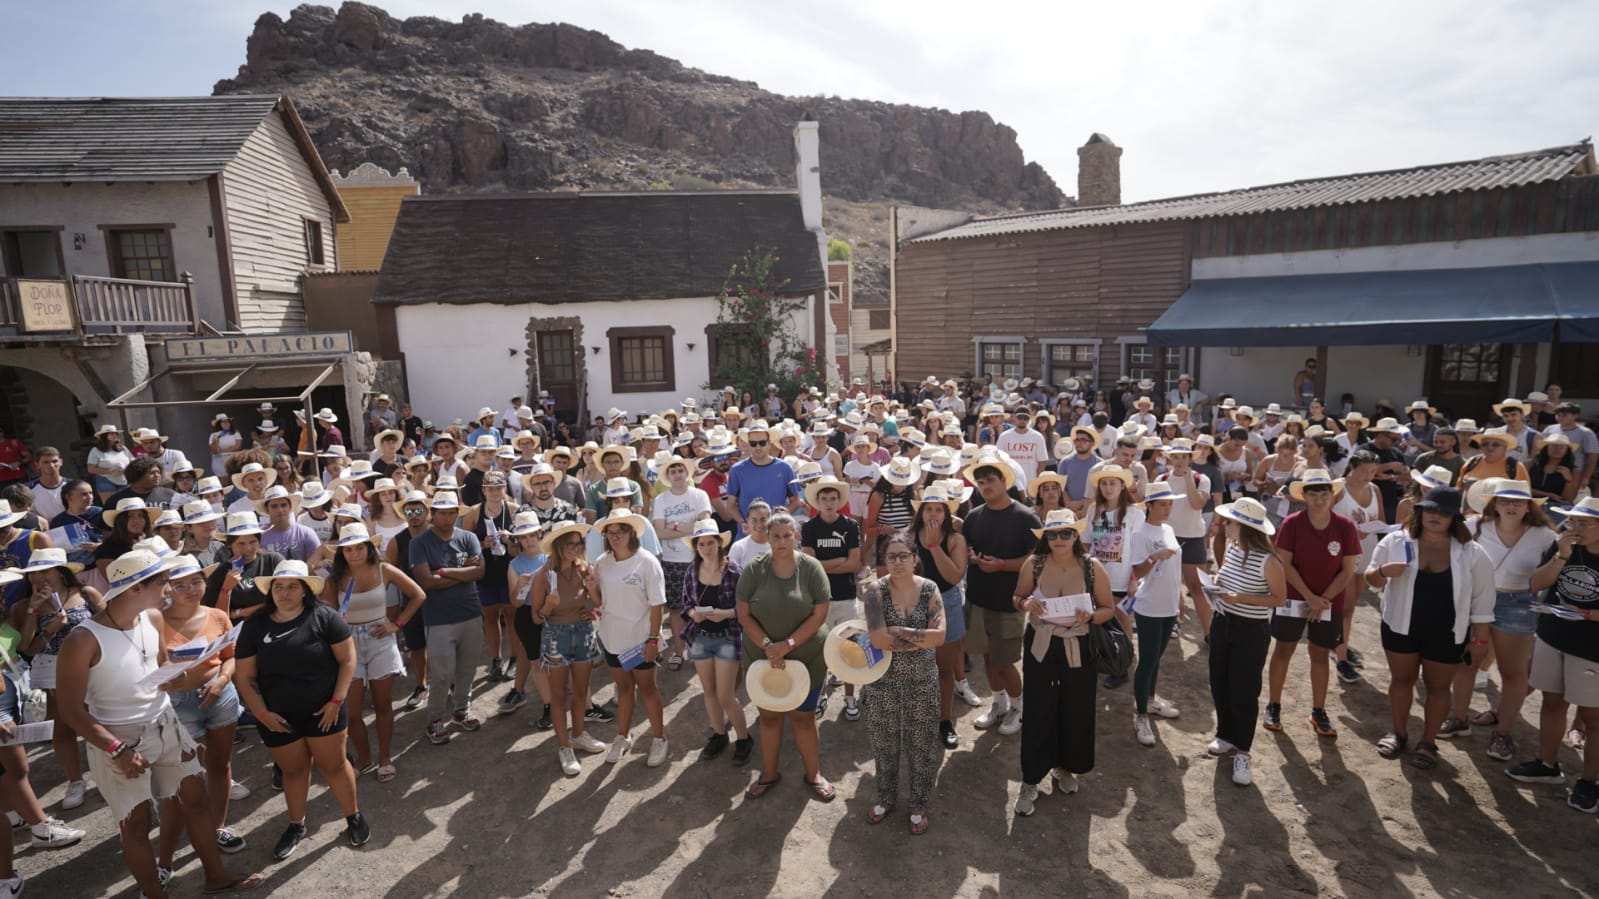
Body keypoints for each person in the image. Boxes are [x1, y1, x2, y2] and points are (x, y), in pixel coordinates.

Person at [55, 549, 263, 896]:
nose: (170, 589)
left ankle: (215, 875)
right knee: (136, 825)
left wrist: (173, 679)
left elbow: (160, 665)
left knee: (195, 800)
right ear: (135, 588)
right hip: (116, 740)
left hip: (167, 725)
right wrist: (117, 749)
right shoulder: (82, 640)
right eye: (163, 583)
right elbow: (70, 710)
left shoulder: (152, 618)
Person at [235, 559, 369, 858]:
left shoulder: (325, 617)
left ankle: (353, 816)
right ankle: (297, 825)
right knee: (293, 772)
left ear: (306, 589)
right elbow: (244, 676)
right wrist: (261, 714)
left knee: (334, 766)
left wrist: (336, 702)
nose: (284, 593)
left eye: (292, 586)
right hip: (277, 717)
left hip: (325, 712)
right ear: (270, 591)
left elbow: (348, 661)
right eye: (278, 586)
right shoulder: (255, 625)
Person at [1365, 488, 1495, 769]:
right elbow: (1371, 578)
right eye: (1431, 509)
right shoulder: (1395, 541)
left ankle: (1428, 741)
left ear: (1455, 518)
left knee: (1438, 687)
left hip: (1447, 632)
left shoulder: (1472, 553)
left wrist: (1480, 641)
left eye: (1444, 512)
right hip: (1400, 625)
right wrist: (1385, 572)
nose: (1436, 516)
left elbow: (1483, 602)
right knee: (1401, 681)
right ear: (1420, 510)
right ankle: (1398, 734)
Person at [1010, 511, 1114, 815]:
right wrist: (1026, 603)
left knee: (1076, 707)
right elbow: (1017, 597)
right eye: (1052, 534)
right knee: (1039, 708)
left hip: (1078, 644)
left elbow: (1108, 608)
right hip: (1041, 642)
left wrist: (1092, 617)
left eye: (1065, 534)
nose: (1058, 540)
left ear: (1076, 536)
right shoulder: (1035, 563)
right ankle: (1030, 779)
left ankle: (1065, 767)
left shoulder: (1092, 567)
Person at [152, 553, 246, 871]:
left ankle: (216, 828)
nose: (191, 589)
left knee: (220, 766)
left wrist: (221, 680)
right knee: (184, 783)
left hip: (220, 698)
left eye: (196, 581)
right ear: (167, 588)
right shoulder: (154, 622)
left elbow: (232, 656)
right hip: (177, 707)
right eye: (180, 585)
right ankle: (166, 857)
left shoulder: (219, 616)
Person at [1505, 496, 1599, 811]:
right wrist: (1562, 555)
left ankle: (1589, 782)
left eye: (1584, 523)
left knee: (1593, 717)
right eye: (1574, 521)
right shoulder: (1564, 546)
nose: (1576, 527)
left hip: (1592, 650)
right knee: (1552, 701)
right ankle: (1547, 765)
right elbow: (1536, 583)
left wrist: (1586, 615)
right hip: (1553, 636)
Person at [737, 511, 834, 801]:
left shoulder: (812, 568)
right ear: (767, 537)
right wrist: (769, 646)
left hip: (807, 659)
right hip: (762, 660)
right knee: (768, 718)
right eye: (775, 536)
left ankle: (813, 774)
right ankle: (768, 774)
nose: (781, 541)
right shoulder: (754, 570)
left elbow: (820, 614)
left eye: (786, 535)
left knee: (804, 719)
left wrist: (786, 645)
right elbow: (744, 614)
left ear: (796, 536)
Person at [1460, 481, 1558, 760]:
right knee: (1467, 663)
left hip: (1518, 604)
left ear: (1529, 506)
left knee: (1513, 672)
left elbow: (1555, 571)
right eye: (1505, 501)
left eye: (1518, 501)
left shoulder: (1544, 536)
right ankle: (1459, 718)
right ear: (1494, 503)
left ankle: (1503, 733)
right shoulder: (1474, 525)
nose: (1511, 506)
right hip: (1476, 600)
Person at [855, 533, 946, 833]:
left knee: (922, 744)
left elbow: (941, 636)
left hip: (922, 680)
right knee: (885, 744)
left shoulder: (930, 589)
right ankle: (886, 796)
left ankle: (919, 802)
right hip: (882, 681)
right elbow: (878, 639)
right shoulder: (874, 592)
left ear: (915, 558)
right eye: (891, 556)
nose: (897, 562)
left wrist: (899, 630)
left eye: (903, 555)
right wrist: (920, 638)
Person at [324, 523, 426, 784]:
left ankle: (384, 758)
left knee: (382, 704)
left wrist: (397, 623)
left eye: (359, 547)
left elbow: (418, 595)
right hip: (348, 645)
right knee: (354, 712)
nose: (354, 553)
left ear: (369, 547)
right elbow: (327, 616)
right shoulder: (334, 578)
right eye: (348, 549)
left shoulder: (384, 569)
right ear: (341, 552)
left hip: (380, 639)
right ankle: (364, 757)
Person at [1264, 470, 1361, 740]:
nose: (1319, 500)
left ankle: (1318, 711)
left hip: (1329, 602)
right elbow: (1285, 563)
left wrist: (1324, 600)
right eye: (1313, 494)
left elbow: (1347, 570)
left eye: (1324, 494)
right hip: (1294, 598)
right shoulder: (1293, 523)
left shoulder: (1345, 526)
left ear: (1333, 495)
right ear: (1304, 497)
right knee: (1284, 650)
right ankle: (1273, 705)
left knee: (1320, 655)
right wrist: (1310, 598)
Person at [961, 451, 1040, 737]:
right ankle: (999, 704)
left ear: (1004, 481)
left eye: (990, 480)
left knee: (1005, 661)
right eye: (980, 481)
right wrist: (971, 557)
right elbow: (967, 549)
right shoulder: (973, 516)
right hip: (978, 598)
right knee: (987, 659)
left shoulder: (1025, 517)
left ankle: (1020, 707)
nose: (985, 486)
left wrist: (1003, 566)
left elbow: (1038, 560)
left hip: (1009, 602)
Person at [16, 548, 99, 811]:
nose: (38, 578)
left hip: (92, 667)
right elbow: (28, 648)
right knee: (62, 728)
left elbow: (109, 623)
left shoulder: (86, 594)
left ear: (61, 573)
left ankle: (108, 773)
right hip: (52, 669)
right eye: (33, 573)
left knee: (97, 721)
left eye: (45, 571)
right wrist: (38, 615)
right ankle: (76, 780)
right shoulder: (24, 606)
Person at [587, 508, 669, 767]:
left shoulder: (647, 562)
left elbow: (657, 606)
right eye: (610, 533)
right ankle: (622, 737)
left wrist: (653, 640)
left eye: (619, 532)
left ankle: (659, 738)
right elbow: (602, 603)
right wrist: (591, 590)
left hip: (640, 640)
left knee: (647, 689)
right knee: (623, 689)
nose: (614, 537)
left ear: (631, 532)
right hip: (612, 639)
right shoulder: (601, 561)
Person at [407, 491, 486, 745]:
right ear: (433, 513)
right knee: (441, 674)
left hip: (471, 613)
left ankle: (461, 709)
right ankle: (435, 719)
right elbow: (426, 581)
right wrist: (464, 572)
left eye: (452, 512)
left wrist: (444, 571)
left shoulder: (469, 537)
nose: (448, 517)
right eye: (443, 512)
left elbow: (480, 572)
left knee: (467, 668)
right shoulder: (419, 542)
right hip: (438, 618)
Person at [535, 521, 609, 775]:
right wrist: (547, 606)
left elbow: (597, 602)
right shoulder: (544, 575)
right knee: (558, 696)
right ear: (558, 545)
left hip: (583, 632)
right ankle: (564, 746)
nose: (575, 548)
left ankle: (578, 734)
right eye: (570, 544)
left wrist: (594, 606)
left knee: (580, 690)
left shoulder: (585, 569)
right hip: (556, 636)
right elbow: (536, 617)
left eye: (579, 543)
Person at [680, 519, 752, 765]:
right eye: (701, 544)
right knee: (708, 691)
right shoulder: (692, 570)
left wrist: (725, 614)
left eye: (710, 542)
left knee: (725, 696)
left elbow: (745, 608)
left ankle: (743, 738)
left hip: (727, 637)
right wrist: (693, 614)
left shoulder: (734, 571)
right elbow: (686, 604)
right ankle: (719, 734)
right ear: (696, 546)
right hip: (700, 637)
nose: (706, 548)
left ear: (719, 543)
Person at [909, 488, 975, 748]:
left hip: (946, 603)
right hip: (915, 604)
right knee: (916, 667)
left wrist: (935, 546)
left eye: (938, 509)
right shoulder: (910, 536)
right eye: (928, 509)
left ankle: (945, 720)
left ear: (947, 513)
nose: (933, 514)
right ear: (921, 512)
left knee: (944, 669)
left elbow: (954, 577)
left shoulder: (954, 539)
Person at [800, 477, 863, 719]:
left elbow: (853, 564)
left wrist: (824, 564)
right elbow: (808, 567)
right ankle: (821, 695)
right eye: (824, 499)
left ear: (839, 501)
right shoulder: (809, 528)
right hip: (820, 600)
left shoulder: (850, 526)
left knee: (849, 648)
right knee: (820, 651)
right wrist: (839, 561)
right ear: (817, 501)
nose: (828, 503)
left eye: (833, 498)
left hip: (846, 597)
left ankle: (850, 697)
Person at [1125, 482, 1183, 746]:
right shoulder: (1141, 533)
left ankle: (1150, 700)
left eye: (1169, 504)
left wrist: (1179, 599)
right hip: (1149, 606)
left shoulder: (1169, 529)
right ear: (1149, 506)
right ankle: (1141, 716)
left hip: (1169, 603)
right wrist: (1153, 557)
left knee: (1156, 658)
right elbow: (1137, 572)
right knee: (1147, 660)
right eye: (1162, 504)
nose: (1167, 508)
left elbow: (1175, 569)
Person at [649, 456, 714, 669]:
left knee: (702, 608)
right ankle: (678, 651)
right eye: (672, 471)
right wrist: (688, 527)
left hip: (699, 558)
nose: (677, 474)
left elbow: (705, 525)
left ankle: (700, 650)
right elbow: (659, 532)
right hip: (672, 561)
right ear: (667, 477)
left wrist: (674, 526)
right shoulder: (661, 500)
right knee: (677, 610)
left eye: (680, 470)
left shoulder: (700, 495)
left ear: (687, 473)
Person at [1331, 451, 1385, 684]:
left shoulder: (1376, 490)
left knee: (1350, 607)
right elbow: (1322, 519)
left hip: (1368, 550)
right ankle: (1340, 655)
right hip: (1342, 553)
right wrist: (1350, 530)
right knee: (1344, 604)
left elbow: (1380, 518)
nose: (1368, 476)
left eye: (1373, 472)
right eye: (1364, 471)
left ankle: (1340, 644)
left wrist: (1366, 528)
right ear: (1351, 467)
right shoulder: (1338, 488)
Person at [1159, 439, 1218, 641]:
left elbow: (1196, 504)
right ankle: (1175, 622)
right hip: (1168, 537)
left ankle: (1209, 632)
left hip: (1193, 538)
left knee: (1196, 587)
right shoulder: (1162, 478)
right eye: (1176, 456)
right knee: (1171, 585)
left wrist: (1187, 480)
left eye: (1184, 456)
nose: (1180, 461)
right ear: (1171, 458)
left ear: (1190, 458)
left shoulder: (1201, 479)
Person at [723, 421, 798, 532]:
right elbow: (731, 505)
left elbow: (796, 501)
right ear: (748, 444)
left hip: (776, 535)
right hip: (747, 536)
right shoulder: (737, 470)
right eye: (753, 443)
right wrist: (743, 523)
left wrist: (783, 515)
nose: (758, 447)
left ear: (769, 443)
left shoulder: (785, 467)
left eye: (762, 443)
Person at [1544, 402, 1598, 489]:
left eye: (1564, 415)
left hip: (1575, 471)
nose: (1560, 418)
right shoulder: (1550, 429)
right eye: (1558, 415)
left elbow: (1592, 456)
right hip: (1551, 469)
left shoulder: (1586, 433)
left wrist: (1586, 477)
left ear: (1574, 416)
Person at [86, 424, 131, 502]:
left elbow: (133, 461)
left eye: (116, 433)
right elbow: (90, 469)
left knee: (126, 504)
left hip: (124, 480)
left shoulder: (123, 448)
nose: (115, 435)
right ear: (104, 436)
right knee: (110, 505)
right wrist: (111, 472)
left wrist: (126, 470)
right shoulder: (95, 450)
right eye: (112, 433)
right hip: (105, 480)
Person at [25, 446, 67, 523]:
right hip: (43, 531)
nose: (51, 465)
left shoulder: (73, 486)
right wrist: (43, 521)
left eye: (54, 461)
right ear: (37, 465)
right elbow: (22, 512)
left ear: (61, 462)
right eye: (46, 462)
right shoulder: (27, 489)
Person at [729, 499, 773, 569]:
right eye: (754, 520)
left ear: (770, 520)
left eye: (763, 520)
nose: (759, 525)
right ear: (747, 521)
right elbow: (731, 577)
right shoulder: (738, 548)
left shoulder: (778, 546)